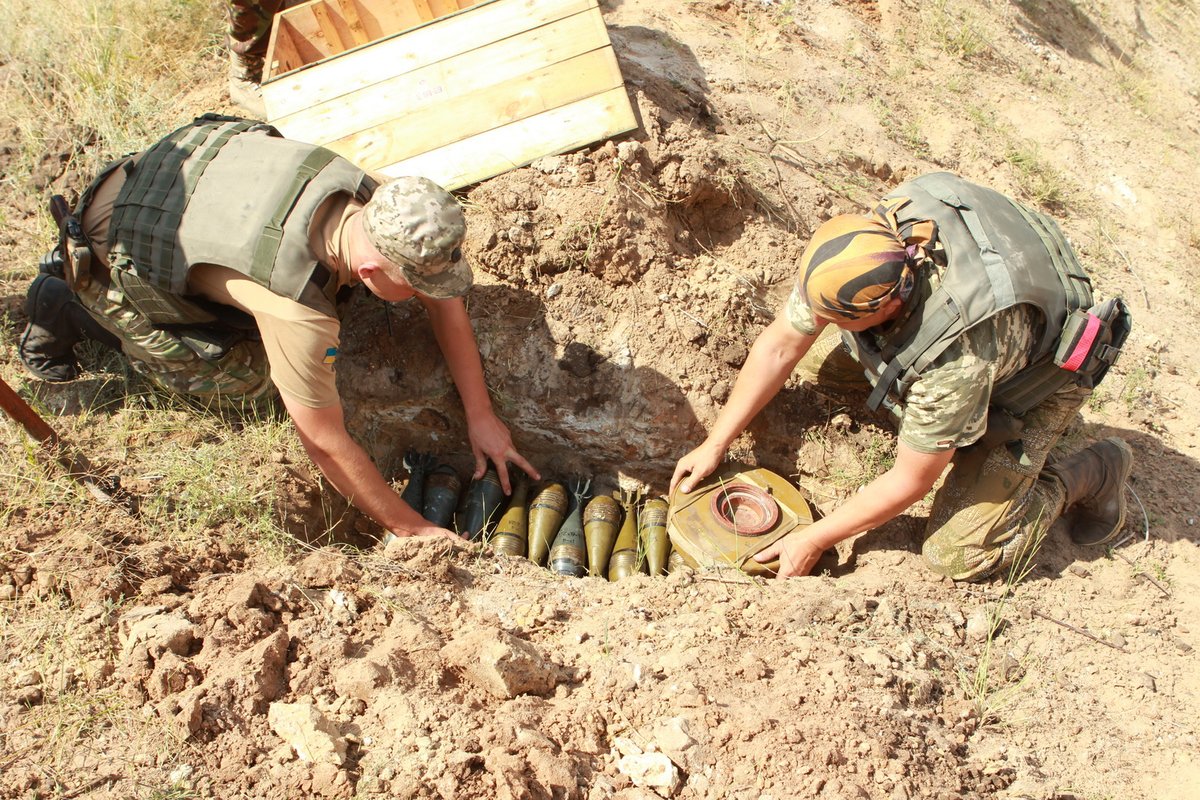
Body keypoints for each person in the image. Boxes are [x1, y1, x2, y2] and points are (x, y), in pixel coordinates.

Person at [18, 113, 540, 541]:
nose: (429, 293)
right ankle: (72, 305)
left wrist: (481, 414)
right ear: (369, 271)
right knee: (254, 384)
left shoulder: (383, 203)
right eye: (416, 284)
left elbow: (442, 301)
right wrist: (413, 528)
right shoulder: (299, 315)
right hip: (114, 237)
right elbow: (322, 440)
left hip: (174, 177)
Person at [671, 172, 1133, 581]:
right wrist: (716, 442)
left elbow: (911, 481)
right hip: (1003, 275)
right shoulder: (876, 237)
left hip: (1039, 382)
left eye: (838, 319)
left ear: (890, 304)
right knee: (819, 367)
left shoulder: (955, 364)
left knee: (957, 554)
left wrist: (813, 537)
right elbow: (780, 345)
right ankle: (935, 417)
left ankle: (1092, 472)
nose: (820, 323)